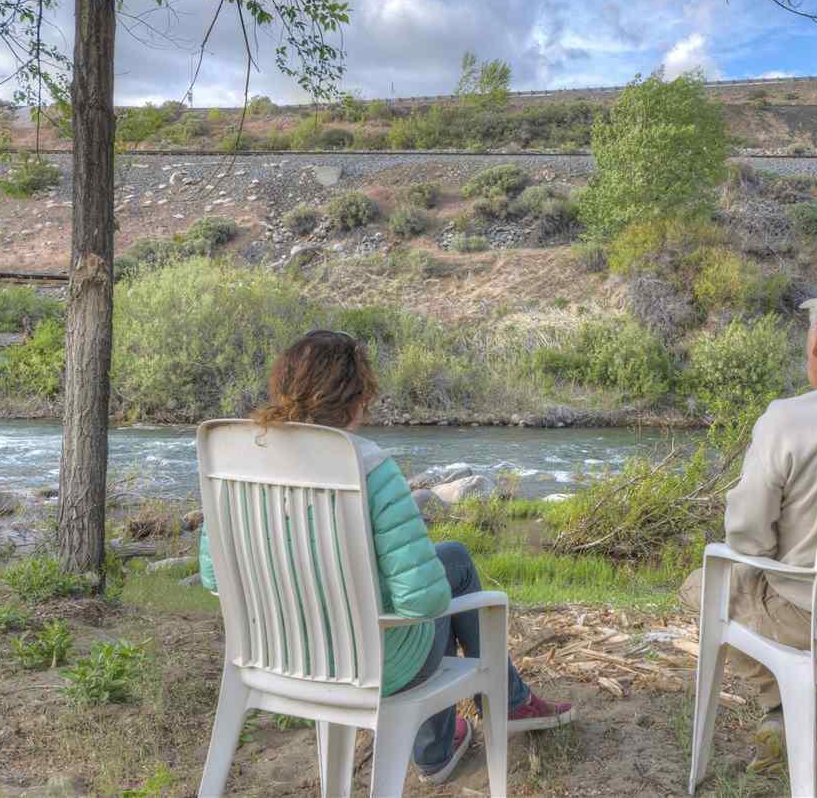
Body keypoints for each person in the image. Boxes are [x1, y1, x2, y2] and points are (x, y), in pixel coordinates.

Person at [198, 330, 574, 785]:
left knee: (416, 585)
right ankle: (497, 711)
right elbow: (423, 604)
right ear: (357, 399)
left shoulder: (238, 461)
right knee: (451, 562)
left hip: (270, 657)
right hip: (371, 667)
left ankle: (441, 742)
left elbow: (212, 574)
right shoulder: (370, 469)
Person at [679, 277, 817, 775]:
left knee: (703, 585)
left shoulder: (789, 418)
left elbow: (747, 538)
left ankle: (787, 703)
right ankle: (801, 708)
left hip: (812, 617)